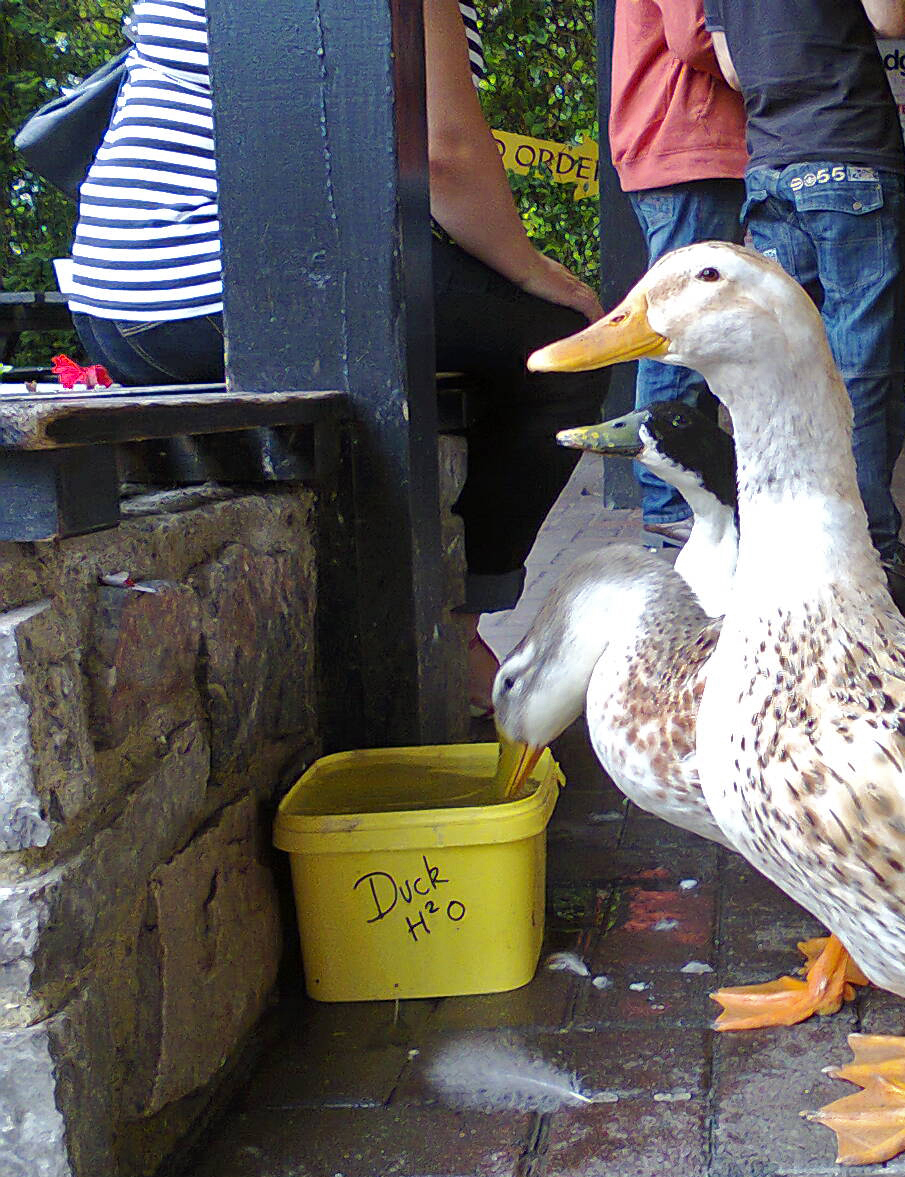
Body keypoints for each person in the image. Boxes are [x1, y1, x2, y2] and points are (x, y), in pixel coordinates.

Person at [65, 0, 608, 713]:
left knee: (476, 325)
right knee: (565, 348)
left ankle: (437, 619)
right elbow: (444, 155)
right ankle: (457, 629)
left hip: (117, 299)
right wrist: (538, 272)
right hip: (225, 280)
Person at [703, 0, 905, 563]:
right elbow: (892, 18)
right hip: (849, 151)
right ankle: (867, 552)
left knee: (784, 372)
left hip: (771, 169)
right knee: (862, 370)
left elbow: (732, 70)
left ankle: (787, 548)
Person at [609, 0, 746, 547]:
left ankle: (680, 499)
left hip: (681, 147)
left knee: (685, 330)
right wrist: (777, 64)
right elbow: (695, 37)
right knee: (679, 330)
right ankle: (669, 504)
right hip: (690, 146)